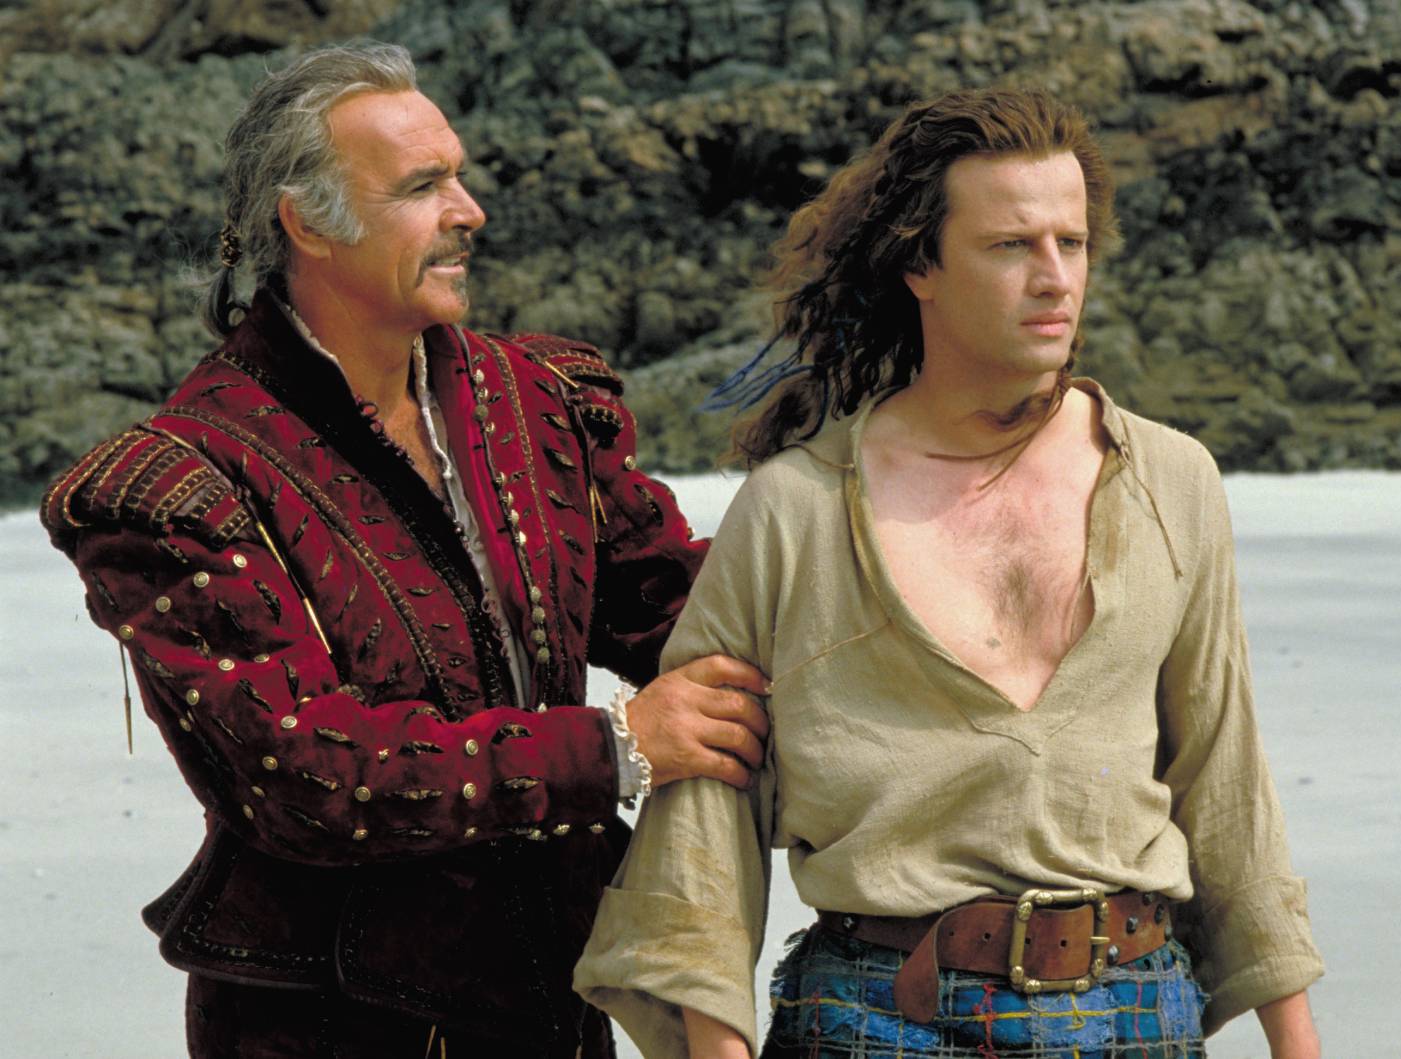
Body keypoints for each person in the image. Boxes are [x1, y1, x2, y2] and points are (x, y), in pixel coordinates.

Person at [39, 41, 769, 1058]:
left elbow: (675, 609)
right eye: (423, 187)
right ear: (308, 223)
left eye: (458, 177)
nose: (471, 211)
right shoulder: (179, 485)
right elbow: (304, 775)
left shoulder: (540, 401)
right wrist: (615, 746)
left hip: (556, 1003)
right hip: (325, 1025)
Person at [573, 86, 1324, 1057]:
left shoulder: (1170, 482)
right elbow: (708, 829)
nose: (1054, 278)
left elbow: (1223, 776)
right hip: (878, 1019)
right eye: (1011, 245)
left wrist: (1297, 1043)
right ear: (919, 264)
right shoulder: (794, 511)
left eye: (1072, 242)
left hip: (1136, 1013)